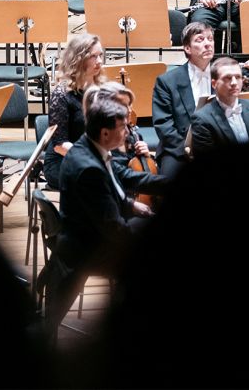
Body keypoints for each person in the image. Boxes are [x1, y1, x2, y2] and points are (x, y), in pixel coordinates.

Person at [45, 84, 167, 331]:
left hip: (90, 235)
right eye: (122, 128)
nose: (127, 133)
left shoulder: (88, 146)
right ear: (105, 133)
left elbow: (127, 177)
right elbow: (114, 230)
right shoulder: (88, 167)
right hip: (90, 249)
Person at [44, 34, 107, 190]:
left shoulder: (103, 89)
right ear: (79, 59)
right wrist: (92, 158)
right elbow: (59, 145)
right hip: (63, 161)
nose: (99, 61)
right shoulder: (62, 94)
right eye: (93, 56)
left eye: (100, 55)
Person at [151, 22, 215, 177]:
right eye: (200, 40)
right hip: (178, 149)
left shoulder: (225, 76)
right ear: (187, 48)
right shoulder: (167, 81)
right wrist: (188, 151)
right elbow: (164, 126)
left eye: (210, 39)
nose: (208, 44)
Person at [189, 57, 249, 157]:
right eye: (228, 78)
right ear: (214, 84)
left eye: (238, 77)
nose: (234, 83)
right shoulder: (202, 119)